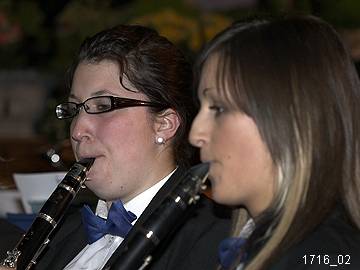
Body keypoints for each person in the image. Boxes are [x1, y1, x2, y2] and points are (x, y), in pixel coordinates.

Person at [0, 25, 230, 270]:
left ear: (164, 124)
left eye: (103, 106)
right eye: (75, 109)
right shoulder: (59, 234)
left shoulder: (214, 244)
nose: (77, 131)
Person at [189, 15, 360, 270]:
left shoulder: (328, 257)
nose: (195, 134)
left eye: (219, 108)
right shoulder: (255, 240)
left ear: (291, 118)